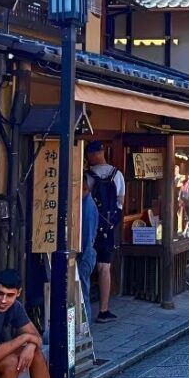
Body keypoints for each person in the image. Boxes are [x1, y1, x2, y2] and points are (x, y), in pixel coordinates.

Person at [85, 141, 123, 323]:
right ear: (103, 151)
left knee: (84, 263)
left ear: (91, 155)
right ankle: (104, 309)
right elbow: (120, 202)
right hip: (108, 227)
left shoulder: (87, 177)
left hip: (89, 225)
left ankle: (82, 308)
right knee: (104, 267)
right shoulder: (117, 175)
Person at [77, 172, 99, 330]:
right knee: (81, 292)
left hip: (84, 255)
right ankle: (83, 326)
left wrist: (81, 257)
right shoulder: (83, 204)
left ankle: (85, 327)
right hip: (85, 253)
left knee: (82, 293)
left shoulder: (88, 207)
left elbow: (87, 236)